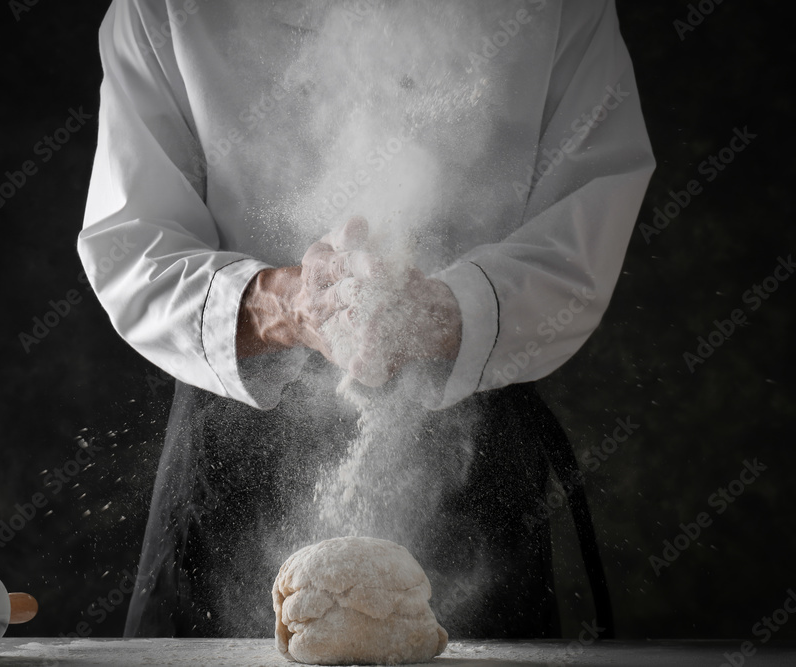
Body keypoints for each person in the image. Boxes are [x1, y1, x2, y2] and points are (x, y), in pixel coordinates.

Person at [78, 0, 654, 639]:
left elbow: (582, 229)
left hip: (471, 425)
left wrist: (441, 312)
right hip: (236, 432)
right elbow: (133, 243)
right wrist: (294, 306)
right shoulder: (161, 7)